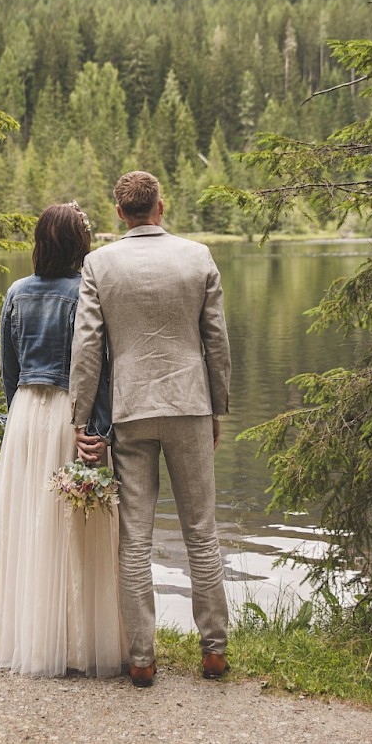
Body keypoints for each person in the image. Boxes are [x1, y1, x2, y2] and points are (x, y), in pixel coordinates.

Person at [70, 170, 232, 688]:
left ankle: (142, 658)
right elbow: (217, 341)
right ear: (160, 206)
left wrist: (81, 418)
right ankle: (214, 652)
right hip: (189, 404)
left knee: (135, 539)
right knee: (201, 532)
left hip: (131, 410)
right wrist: (218, 407)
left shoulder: (99, 264)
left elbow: (87, 346)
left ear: (120, 212)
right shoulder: (197, 256)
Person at [0, 202, 126, 678]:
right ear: (79, 244)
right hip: (69, 414)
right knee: (72, 529)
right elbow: (97, 371)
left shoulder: (17, 293)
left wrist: (18, 413)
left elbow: (8, 369)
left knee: (27, 524)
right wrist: (101, 431)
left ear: (41, 243)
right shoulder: (87, 293)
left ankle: (24, 638)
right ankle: (76, 645)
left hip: (25, 414)